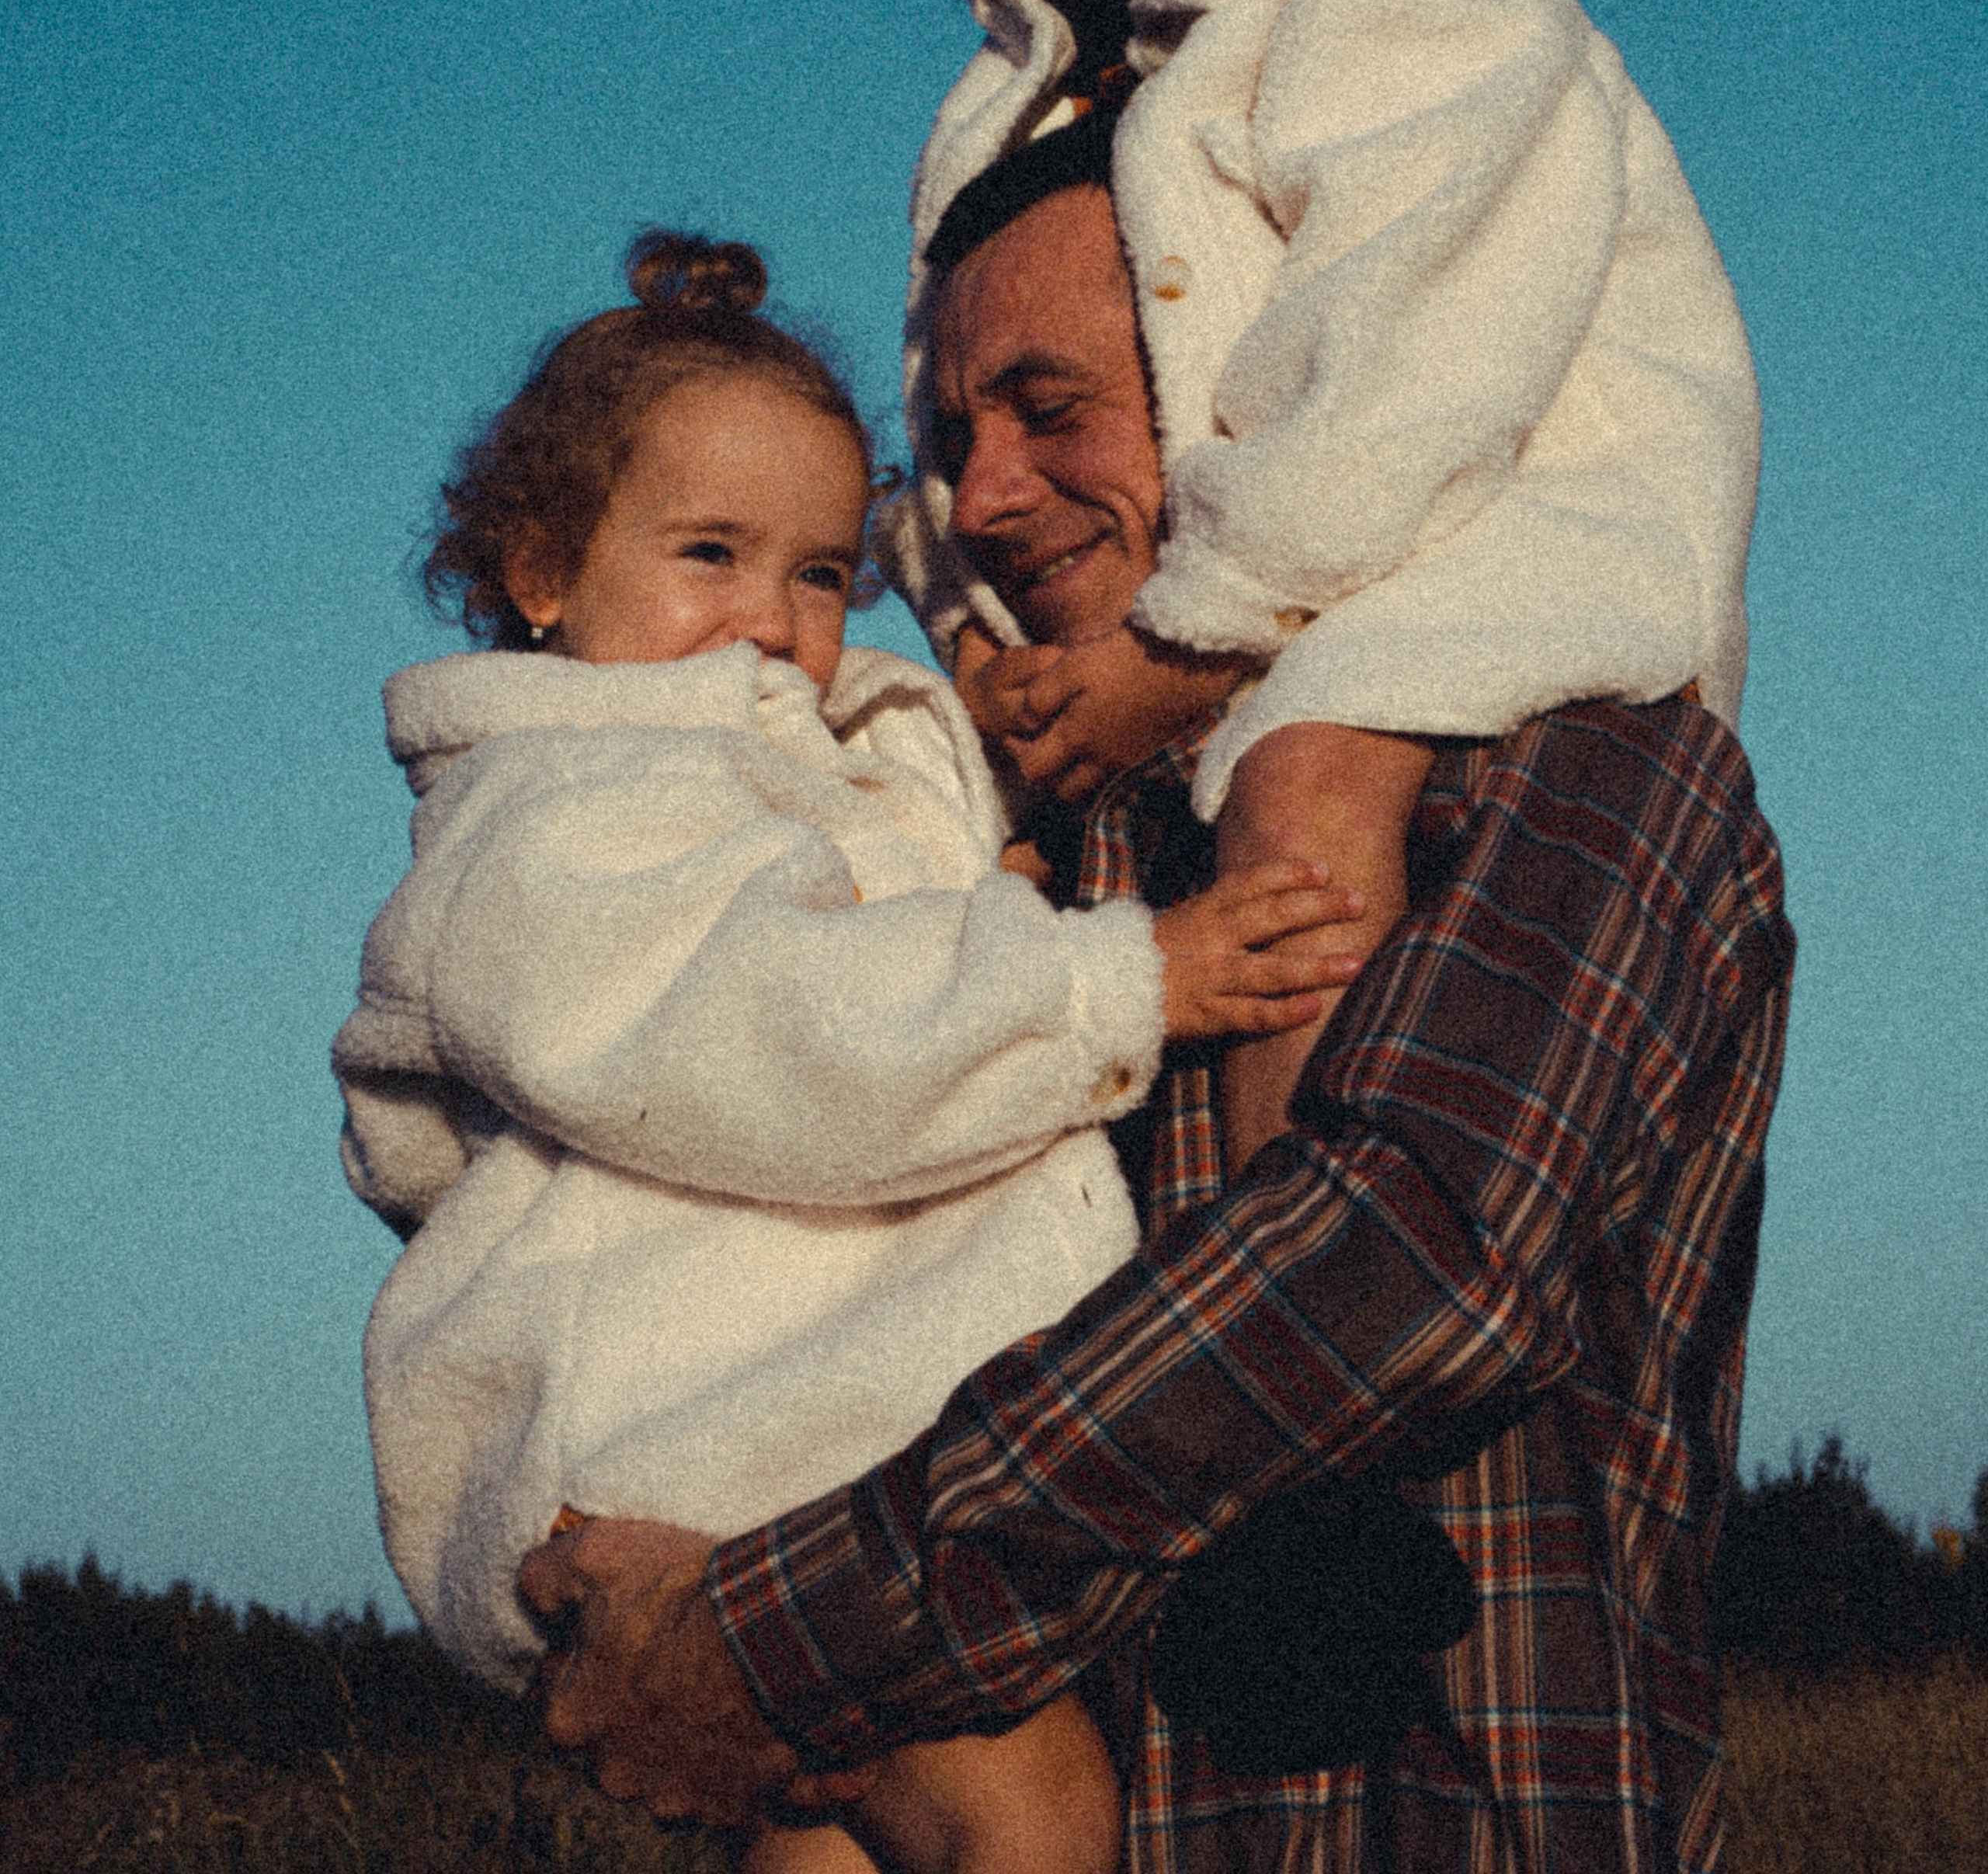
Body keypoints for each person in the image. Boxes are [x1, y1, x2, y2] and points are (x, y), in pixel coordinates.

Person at [517, 166, 1792, 1874]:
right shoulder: (986, 850)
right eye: (954, 439)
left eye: (1051, 412)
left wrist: (767, 1638)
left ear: (1256, 399)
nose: (980, 499)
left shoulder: (1574, 760)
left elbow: (1407, 1267)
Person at [335, 228, 1363, 1874]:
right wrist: (1102, 986)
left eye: (817, 571)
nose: (769, 620)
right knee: (1028, 1821)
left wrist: (963, 896)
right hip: (692, 1445)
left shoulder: (774, 771)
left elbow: (804, 966)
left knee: (836, 1850)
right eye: (708, 553)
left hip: (788, 1451)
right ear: (537, 570)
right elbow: (759, 1027)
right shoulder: (555, 819)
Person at [888, 0, 1762, 1164]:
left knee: (1306, 780)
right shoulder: (1009, 100)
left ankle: (1284, 1226)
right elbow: (947, 413)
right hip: (1321, 547)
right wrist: (982, 657)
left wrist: (1183, 642)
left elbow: (1413, 344)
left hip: (1512, 507)